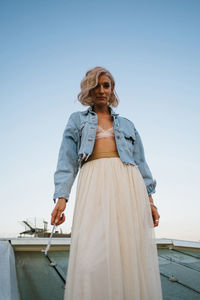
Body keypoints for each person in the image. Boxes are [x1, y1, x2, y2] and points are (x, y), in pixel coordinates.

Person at [51, 66, 163, 300]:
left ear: (112, 90)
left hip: (128, 184)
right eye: (96, 86)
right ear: (88, 90)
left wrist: (150, 201)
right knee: (91, 255)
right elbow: (67, 160)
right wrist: (61, 198)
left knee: (128, 252)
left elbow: (141, 164)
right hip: (94, 182)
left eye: (106, 85)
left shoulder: (128, 124)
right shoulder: (76, 120)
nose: (101, 90)